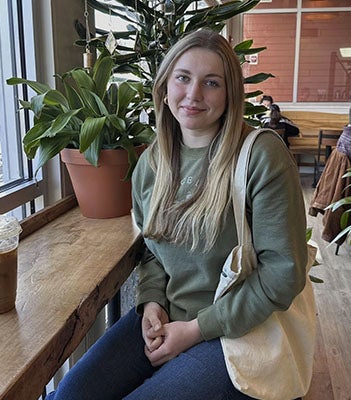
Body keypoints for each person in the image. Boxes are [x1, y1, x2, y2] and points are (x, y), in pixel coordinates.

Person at [45, 29, 308, 400]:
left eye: (211, 82)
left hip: (240, 331)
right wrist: (152, 301)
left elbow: (284, 274)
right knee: (71, 395)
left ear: (230, 93)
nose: (194, 94)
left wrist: (196, 330)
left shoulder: (261, 157)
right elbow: (152, 248)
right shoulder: (150, 164)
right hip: (168, 316)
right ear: (165, 86)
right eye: (183, 77)